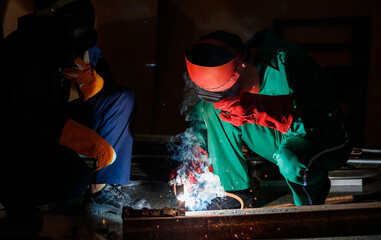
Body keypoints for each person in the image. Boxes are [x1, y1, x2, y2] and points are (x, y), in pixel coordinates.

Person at [2, 0, 149, 216]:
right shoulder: (17, 54)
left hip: (53, 122)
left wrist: (93, 81)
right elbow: (23, 127)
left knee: (121, 99)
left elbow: (108, 88)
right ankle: (36, 200)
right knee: (78, 174)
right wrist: (75, 138)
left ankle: (101, 191)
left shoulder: (75, 37)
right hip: (22, 149)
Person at [178, 30, 351, 207]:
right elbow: (201, 117)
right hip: (278, 139)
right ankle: (234, 194)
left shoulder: (290, 62)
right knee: (214, 109)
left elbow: (315, 122)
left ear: (241, 67)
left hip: (322, 138)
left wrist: (258, 110)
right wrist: (198, 148)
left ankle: (309, 210)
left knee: (290, 159)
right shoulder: (226, 73)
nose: (223, 97)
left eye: (224, 91)